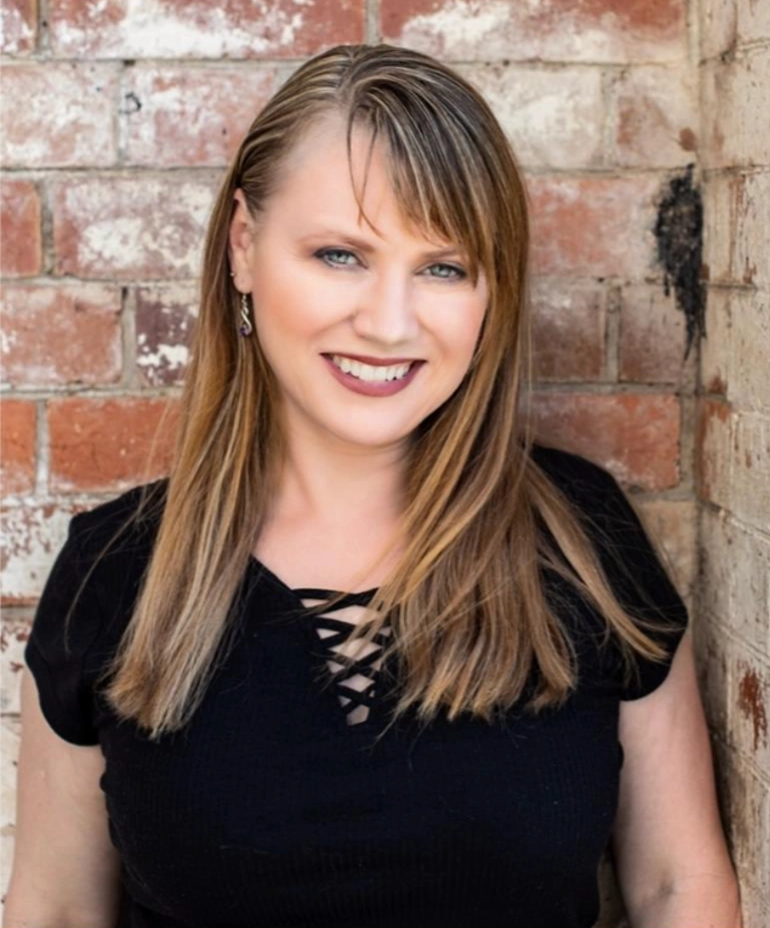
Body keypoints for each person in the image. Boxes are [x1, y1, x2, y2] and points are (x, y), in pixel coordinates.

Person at [4, 43, 741, 928]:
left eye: (442, 267)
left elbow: (677, 886)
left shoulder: (582, 541)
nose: (389, 324)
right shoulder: (115, 575)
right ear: (244, 246)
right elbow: (53, 911)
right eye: (340, 255)